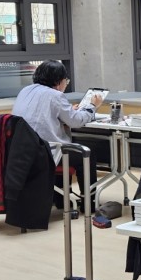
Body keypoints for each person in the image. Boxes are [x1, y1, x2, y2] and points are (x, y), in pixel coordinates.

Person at [12, 60, 103, 210]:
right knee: (86, 154)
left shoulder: (25, 91)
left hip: (21, 152)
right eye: (66, 80)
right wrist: (92, 106)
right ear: (58, 81)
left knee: (63, 147)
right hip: (44, 153)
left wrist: (67, 111)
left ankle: (61, 200)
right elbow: (76, 121)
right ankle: (89, 203)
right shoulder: (56, 96)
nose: (66, 84)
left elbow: (41, 115)